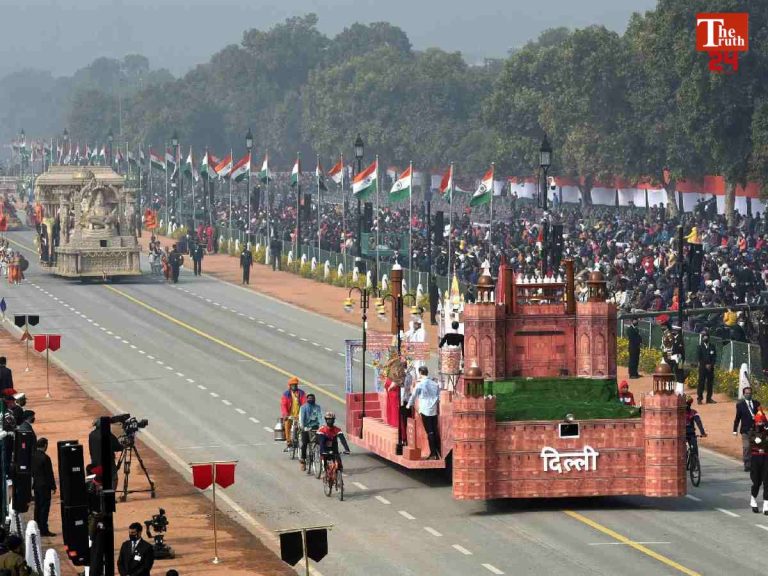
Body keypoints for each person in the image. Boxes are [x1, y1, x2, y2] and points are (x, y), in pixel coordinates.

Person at [406, 366, 441, 460]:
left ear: (420, 373)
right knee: (434, 431)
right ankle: (437, 452)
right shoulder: (435, 384)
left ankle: (433, 453)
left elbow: (414, 395)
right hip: (433, 410)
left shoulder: (421, 384)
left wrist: (409, 405)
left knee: (429, 432)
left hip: (425, 410)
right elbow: (439, 396)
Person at [31, 438, 56, 537]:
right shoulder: (45, 458)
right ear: (45, 445)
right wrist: (53, 486)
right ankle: (44, 529)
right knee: (44, 508)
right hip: (44, 486)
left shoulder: (33, 456)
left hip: (36, 485)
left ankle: (37, 527)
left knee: (37, 507)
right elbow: (49, 474)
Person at [734, 387, 762, 472]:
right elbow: (737, 418)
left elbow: (761, 415)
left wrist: (765, 425)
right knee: (747, 447)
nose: (748, 394)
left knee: (757, 447)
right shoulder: (740, 405)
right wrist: (734, 430)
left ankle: (757, 465)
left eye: (750, 393)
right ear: (744, 394)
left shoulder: (757, 403)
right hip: (745, 430)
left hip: (756, 429)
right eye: (746, 393)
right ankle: (747, 464)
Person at [749, 410, 768, 514]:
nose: (760, 424)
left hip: (765, 458)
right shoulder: (752, 432)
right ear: (756, 422)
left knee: (767, 481)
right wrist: (757, 440)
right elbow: (751, 442)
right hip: (756, 458)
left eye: (762, 422)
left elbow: (765, 443)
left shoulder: (766, 431)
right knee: (756, 482)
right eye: (758, 422)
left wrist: (763, 442)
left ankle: (766, 504)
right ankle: (753, 500)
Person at [280, 377, 306, 450]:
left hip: (299, 415)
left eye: (295, 385)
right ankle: (289, 442)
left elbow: (304, 404)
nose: (294, 386)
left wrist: (304, 414)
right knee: (287, 425)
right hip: (290, 415)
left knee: (304, 428)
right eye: (292, 385)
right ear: (290, 386)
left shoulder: (301, 393)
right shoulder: (286, 394)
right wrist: (285, 415)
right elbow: (283, 405)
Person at [298, 393, 322, 472]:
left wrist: (322, 427)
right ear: (307, 399)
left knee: (320, 442)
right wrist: (303, 427)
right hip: (305, 428)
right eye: (309, 398)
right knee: (304, 443)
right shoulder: (303, 407)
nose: (311, 399)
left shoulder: (317, 407)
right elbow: (301, 419)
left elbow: (320, 417)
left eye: (312, 398)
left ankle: (323, 459)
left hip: (315, 428)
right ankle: (303, 460)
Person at [697, 332, 717, 404]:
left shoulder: (712, 346)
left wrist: (711, 364)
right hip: (702, 368)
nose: (705, 338)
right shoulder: (700, 347)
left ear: (709, 338)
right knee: (701, 383)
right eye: (704, 337)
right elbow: (699, 358)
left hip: (710, 368)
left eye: (706, 337)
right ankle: (699, 398)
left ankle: (709, 399)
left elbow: (714, 357)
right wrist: (705, 365)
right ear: (702, 338)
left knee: (710, 383)